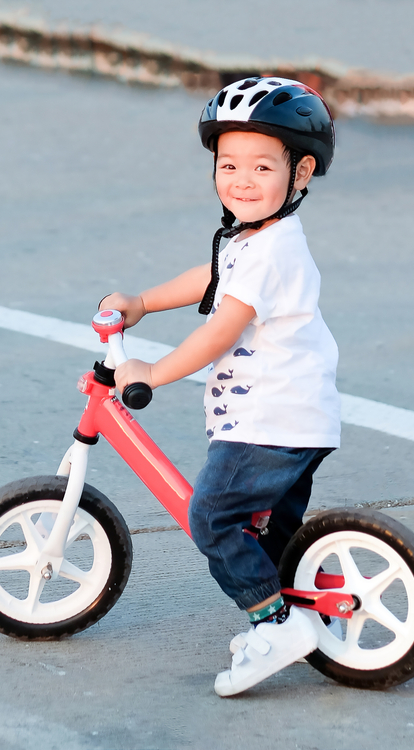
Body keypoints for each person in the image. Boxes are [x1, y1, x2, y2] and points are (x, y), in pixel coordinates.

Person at [100, 77, 341, 697]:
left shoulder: (270, 251)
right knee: (271, 537)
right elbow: (211, 277)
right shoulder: (252, 238)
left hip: (267, 423)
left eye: (262, 167)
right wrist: (143, 303)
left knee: (211, 518)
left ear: (301, 173)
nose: (241, 180)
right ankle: (299, 613)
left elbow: (220, 329)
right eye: (228, 164)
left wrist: (151, 372)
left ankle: (274, 627)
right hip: (297, 418)